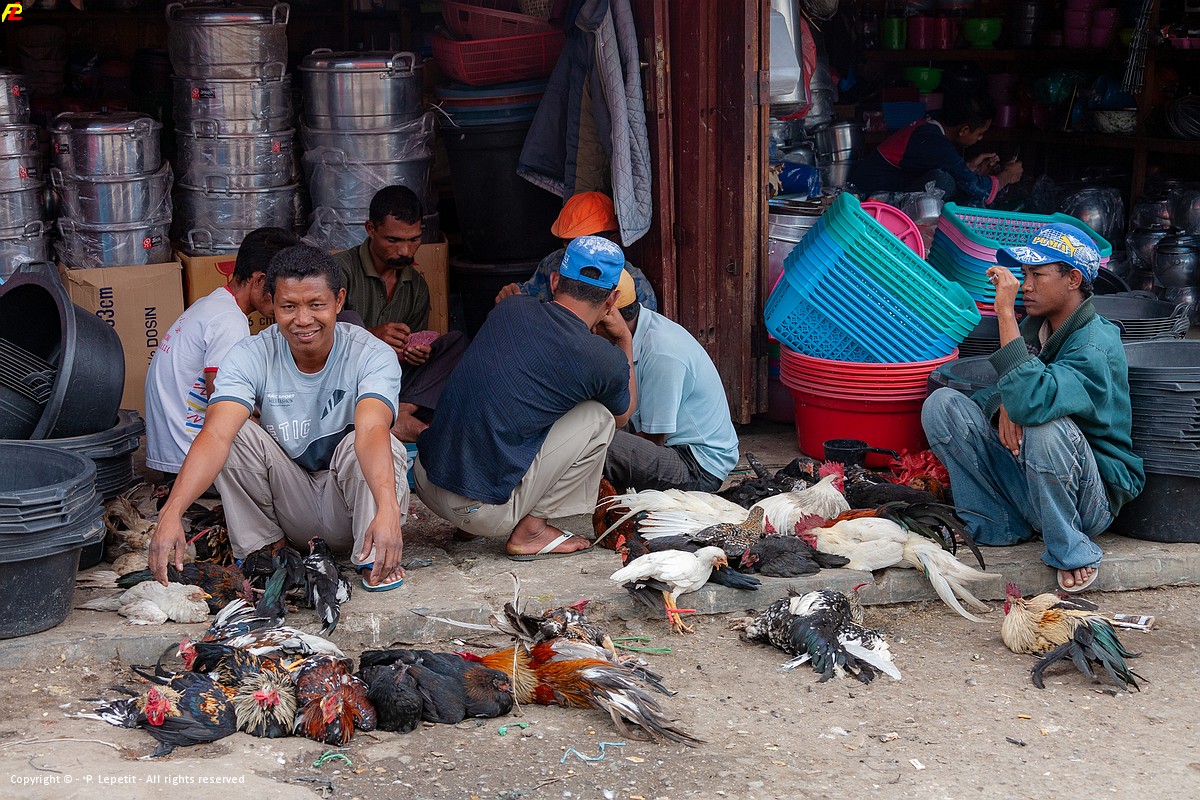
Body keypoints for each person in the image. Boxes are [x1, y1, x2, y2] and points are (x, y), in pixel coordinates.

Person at [149, 245, 411, 592]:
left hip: (352, 511)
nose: (303, 319)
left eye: (316, 304)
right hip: (292, 505)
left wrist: (389, 509)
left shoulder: (371, 354)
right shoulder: (250, 354)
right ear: (272, 304)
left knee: (380, 442)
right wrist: (171, 511)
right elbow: (215, 436)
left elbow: (372, 429)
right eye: (289, 306)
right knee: (234, 430)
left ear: (338, 301)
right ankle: (267, 550)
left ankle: (374, 555)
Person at [921, 223, 1144, 593]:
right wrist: (1004, 406)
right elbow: (996, 394)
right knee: (942, 405)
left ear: (1073, 279)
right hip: (1031, 485)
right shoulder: (1038, 326)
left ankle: (1071, 549)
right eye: (1024, 274)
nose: (1026, 285)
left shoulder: (1094, 345)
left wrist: (1005, 314)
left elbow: (1033, 403)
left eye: (1037, 275)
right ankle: (996, 523)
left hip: (1089, 500)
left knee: (1044, 425)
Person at [416, 235, 637, 560]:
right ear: (612, 300)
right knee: (600, 418)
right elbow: (623, 416)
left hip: (425, 478)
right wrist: (625, 340)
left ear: (555, 280)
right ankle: (531, 531)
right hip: (478, 511)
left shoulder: (510, 308)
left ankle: (469, 523)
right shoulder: (602, 358)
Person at [144, 227, 297, 478]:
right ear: (260, 280)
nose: (288, 302)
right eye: (284, 291)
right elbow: (224, 404)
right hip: (191, 462)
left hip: (174, 453)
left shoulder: (212, 304)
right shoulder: (229, 321)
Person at [335, 185, 468, 442]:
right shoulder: (341, 270)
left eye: (414, 239)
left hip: (393, 383)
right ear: (371, 229)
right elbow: (319, 340)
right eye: (393, 240)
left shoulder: (417, 287)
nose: (406, 251)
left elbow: (410, 349)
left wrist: (415, 353)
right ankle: (381, 415)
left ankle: (401, 412)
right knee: (348, 321)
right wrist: (371, 336)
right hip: (345, 383)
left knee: (456, 342)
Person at [604, 273, 739, 491]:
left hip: (697, 466)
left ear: (609, 315)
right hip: (667, 445)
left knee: (600, 448)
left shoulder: (661, 352)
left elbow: (654, 439)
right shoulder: (638, 329)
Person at [494, 190, 658, 310]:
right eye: (567, 243)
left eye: (583, 245)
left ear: (613, 240)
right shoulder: (554, 262)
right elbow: (529, 296)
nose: (572, 252)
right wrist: (512, 295)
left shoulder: (635, 286)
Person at [851, 94, 1023, 206]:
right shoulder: (933, 142)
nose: (979, 139)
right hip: (868, 201)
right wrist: (1006, 176)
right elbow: (981, 191)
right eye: (979, 134)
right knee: (945, 182)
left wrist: (971, 170)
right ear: (964, 130)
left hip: (877, 193)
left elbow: (959, 173)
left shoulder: (928, 130)